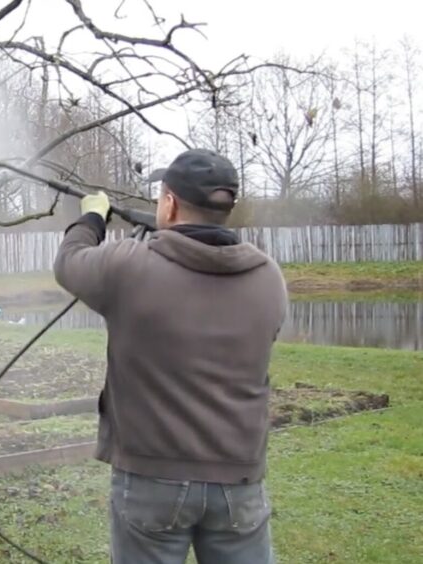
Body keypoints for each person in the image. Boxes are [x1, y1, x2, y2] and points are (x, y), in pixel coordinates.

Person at [53, 148, 288, 564]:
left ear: (170, 203)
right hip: (240, 479)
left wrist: (92, 217)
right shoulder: (269, 277)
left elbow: (69, 262)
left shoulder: (127, 266)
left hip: (149, 480)